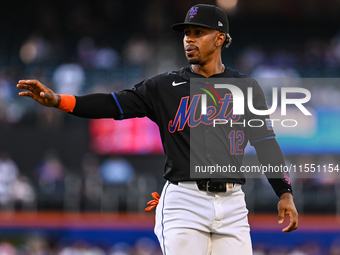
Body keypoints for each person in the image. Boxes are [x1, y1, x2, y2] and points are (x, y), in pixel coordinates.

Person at [17, 4, 298, 255]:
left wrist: (284, 193)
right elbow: (114, 104)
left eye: (198, 32)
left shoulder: (245, 88)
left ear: (220, 38)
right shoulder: (164, 86)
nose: (189, 39)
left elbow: (266, 143)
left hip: (234, 203)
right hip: (185, 200)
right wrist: (60, 101)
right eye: (186, 32)